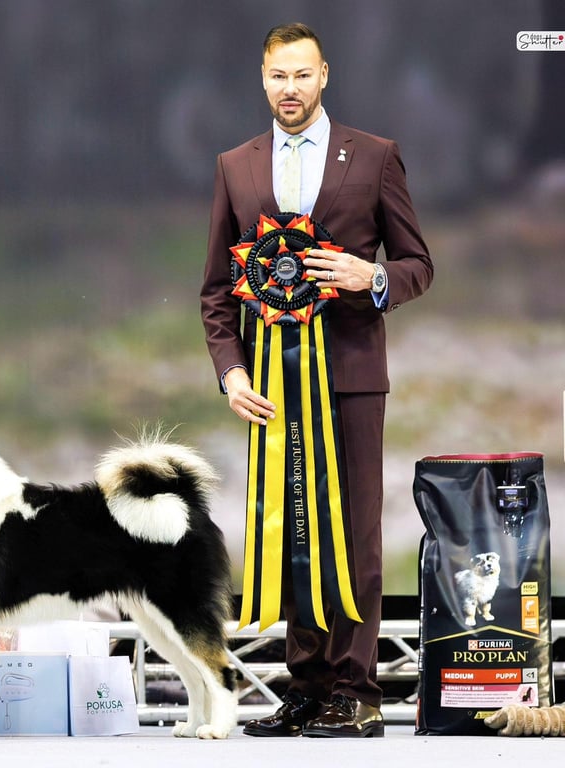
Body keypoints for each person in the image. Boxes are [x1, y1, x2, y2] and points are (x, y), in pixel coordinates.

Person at [200, 23, 433, 738]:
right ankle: (305, 687)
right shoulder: (235, 166)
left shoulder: (375, 156)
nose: (290, 89)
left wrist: (373, 277)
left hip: (351, 377)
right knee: (291, 529)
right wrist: (231, 372)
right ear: (262, 79)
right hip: (272, 381)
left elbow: (419, 264)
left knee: (354, 534)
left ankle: (357, 692)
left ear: (324, 75)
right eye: (278, 76)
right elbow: (217, 291)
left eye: (302, 75)